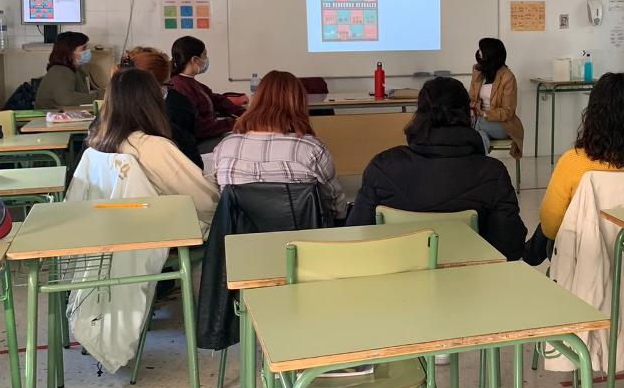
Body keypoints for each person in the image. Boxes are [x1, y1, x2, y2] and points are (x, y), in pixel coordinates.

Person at [346, 77, 525, 260]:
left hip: (399, 278)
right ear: (468, 114)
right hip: (470, 281)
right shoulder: (492, 173)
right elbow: (511, 247)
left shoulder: (383, 167)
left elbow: (356, 236)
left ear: (419, 115)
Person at [539, 72, 624, 241]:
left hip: (589, 254)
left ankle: (526, 256)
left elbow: (551, 227)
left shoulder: (573, 162)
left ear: (593, 115)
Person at [87, 68, 219, 231]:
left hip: (111, 228)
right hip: (160, 233)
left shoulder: (96, 142)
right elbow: (205, 202)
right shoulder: (154, 146)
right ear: (153, 102)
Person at [212, 71, 346, 219]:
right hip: (301, 238)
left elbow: (220, 198)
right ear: (299, 104)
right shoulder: (311, 149)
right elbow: (335, 206)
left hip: (239, 237)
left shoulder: (225, 147)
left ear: (256, 100)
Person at [116, 47, 203, 169]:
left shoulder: (101, 127)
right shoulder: (167, 127)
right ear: (153, 87)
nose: (169, 90)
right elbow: (195, 167)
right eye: (168, 84)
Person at [169, 35, 243, 149]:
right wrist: (232, 123)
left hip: (208, 136)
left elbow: (216, 99)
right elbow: (198, 127)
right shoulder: (180, 87)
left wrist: (244, 113)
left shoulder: (191, 82)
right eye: (204, 55)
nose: (206, 59)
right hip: (199, 142)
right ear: (194, 60)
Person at [468, 38, 525, 161]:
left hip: (503, 125)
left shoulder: (508, 77)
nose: (478, 52)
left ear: (490, 54)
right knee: (480, 135)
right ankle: (478, 165)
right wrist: (474, 106)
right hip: (480, 123)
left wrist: (483, 113)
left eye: (481, 50)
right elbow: (471, 98)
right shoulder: (478, 72)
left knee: (472, 126)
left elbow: (507, 112)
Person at [34, 31, 103, 109]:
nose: (87, 52)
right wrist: (101, 95)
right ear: (70, 51)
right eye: (83, 48)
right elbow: (67, 100)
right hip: (49, 117)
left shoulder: (77, 71)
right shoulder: (61, 72)